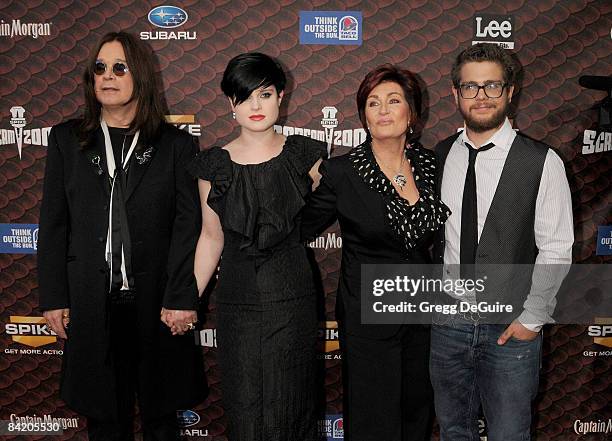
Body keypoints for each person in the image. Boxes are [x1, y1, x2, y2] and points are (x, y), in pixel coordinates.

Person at [38, 31, 207, 441]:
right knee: (104, 421)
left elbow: (190, 228)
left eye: (119, 67)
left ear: (142, 77)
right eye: (99, 68)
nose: (107, 76)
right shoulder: (66, 140)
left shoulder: (176, 146)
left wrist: (181, 297)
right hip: (93, 303)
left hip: (159, 305)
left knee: (162, 419)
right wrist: (54, 297)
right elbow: (54, 224)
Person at [430, 43, 574, 440]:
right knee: (454, 431)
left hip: (510, 327)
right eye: (470, 87)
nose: (481, 96)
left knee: (510, 434)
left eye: (492, 86)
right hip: (448, 323)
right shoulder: (441, 155)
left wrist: (532, 318)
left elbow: (557, 247)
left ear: (510, 91)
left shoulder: (542, 161)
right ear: (454, 92)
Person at [301, 64, 450, 441]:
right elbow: (296, 227)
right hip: (369, 315)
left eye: (393, 100)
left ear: (412, 112)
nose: (383, 110)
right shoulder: (342, 171)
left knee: (417, 410)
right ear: (364, 115)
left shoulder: (432, 164)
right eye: (373, 103)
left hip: (422, 311)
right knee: (373, 420)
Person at [188, 52, 326, 441]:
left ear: (281, 97)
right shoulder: (213, 166)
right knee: (245, 404)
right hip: (237, 301)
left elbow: (326, 212)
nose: (255, 105)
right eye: (244, 96)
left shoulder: (307, 156)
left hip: (292, 296)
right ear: (231, 103)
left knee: (292, 403)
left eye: (264, 94)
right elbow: (211, 238)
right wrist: (187, 300)